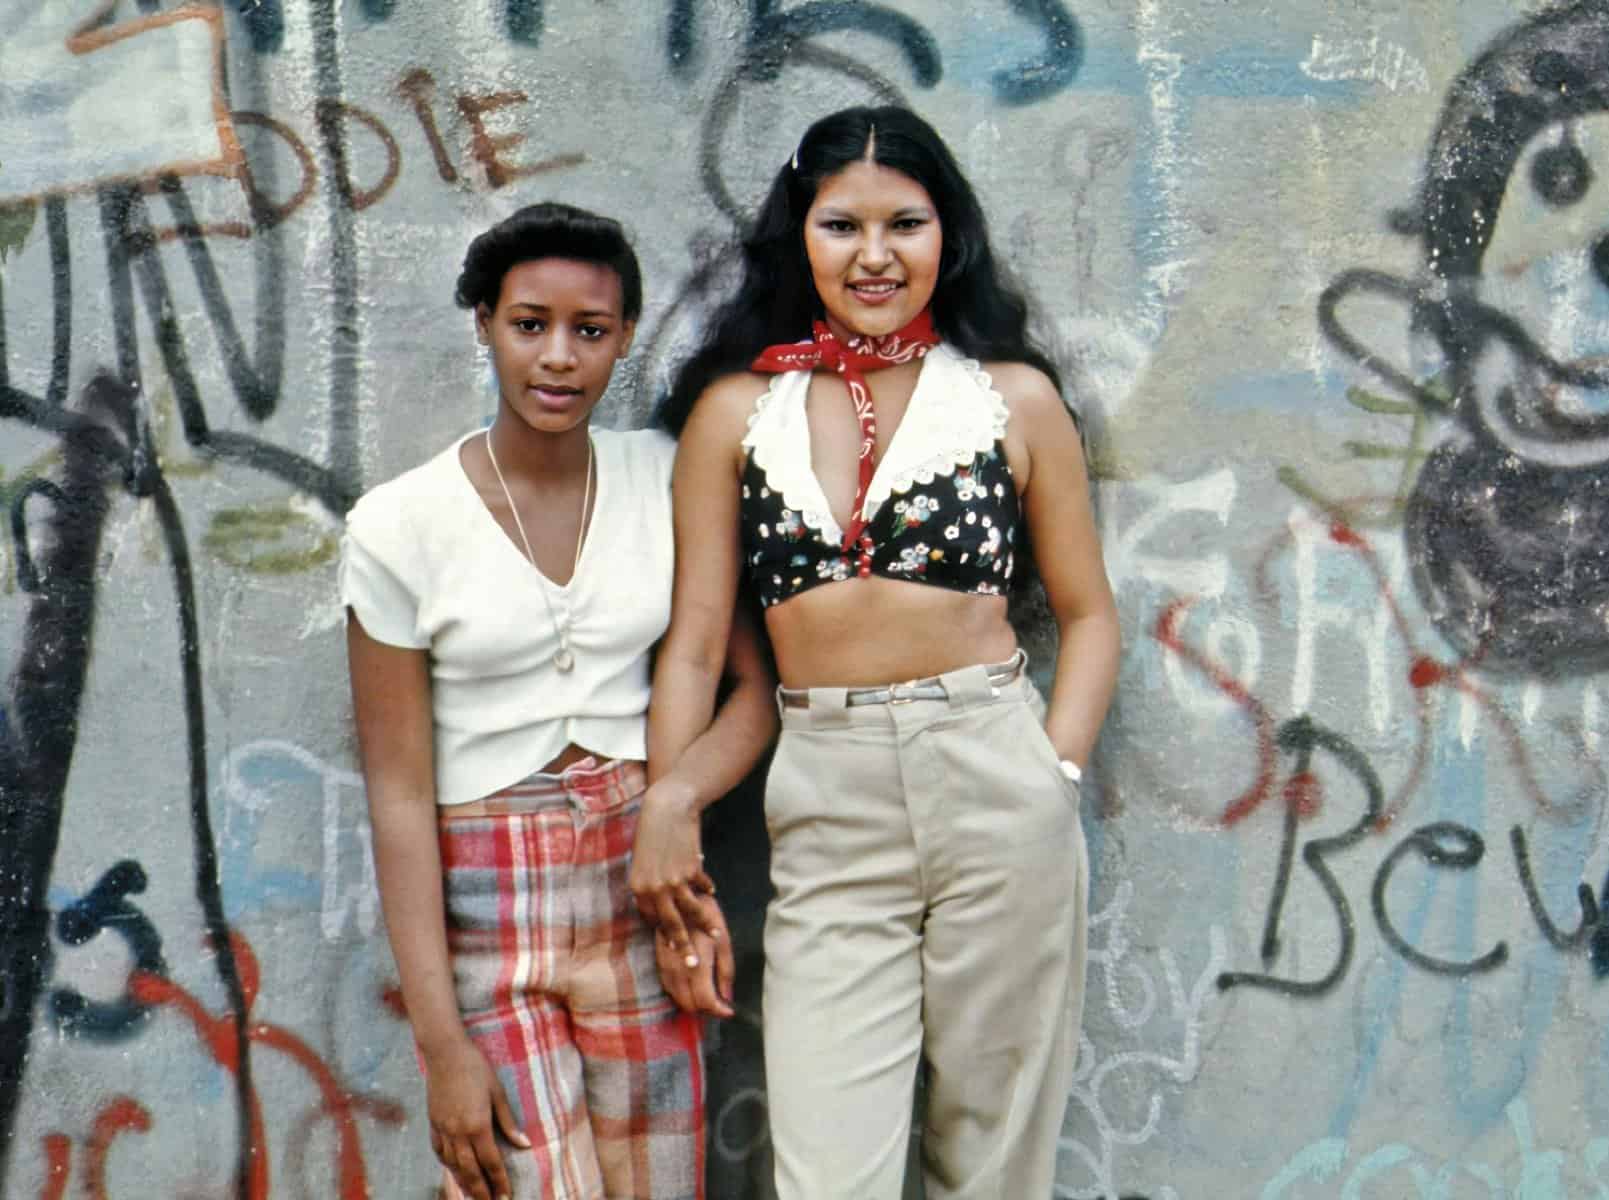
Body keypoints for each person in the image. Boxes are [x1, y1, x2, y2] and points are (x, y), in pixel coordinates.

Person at [646, 106, 1120, 1200]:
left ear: (948, 233)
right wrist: (670, 814)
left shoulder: (1012, 399)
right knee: (829, 1171)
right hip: (828, 797)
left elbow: (1089, 615)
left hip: (997, 779)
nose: (874, 255)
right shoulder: (737, 412)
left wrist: (1053, 774)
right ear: (799, 238)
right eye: (841, 225)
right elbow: (696, 649)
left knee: (992, 1162)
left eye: (905, 223)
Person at [341, 202, 774, 1200]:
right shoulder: (399, 525)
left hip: (642, 887)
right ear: (484, 323)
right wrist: (441, 1044)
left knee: (660, 1182)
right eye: (529, 324)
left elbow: (754, 692)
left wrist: (676, 809)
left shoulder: (665, 476)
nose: (559, 358)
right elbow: (398, 795)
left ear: (625, 336)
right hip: (487, 907)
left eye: (591, 330)